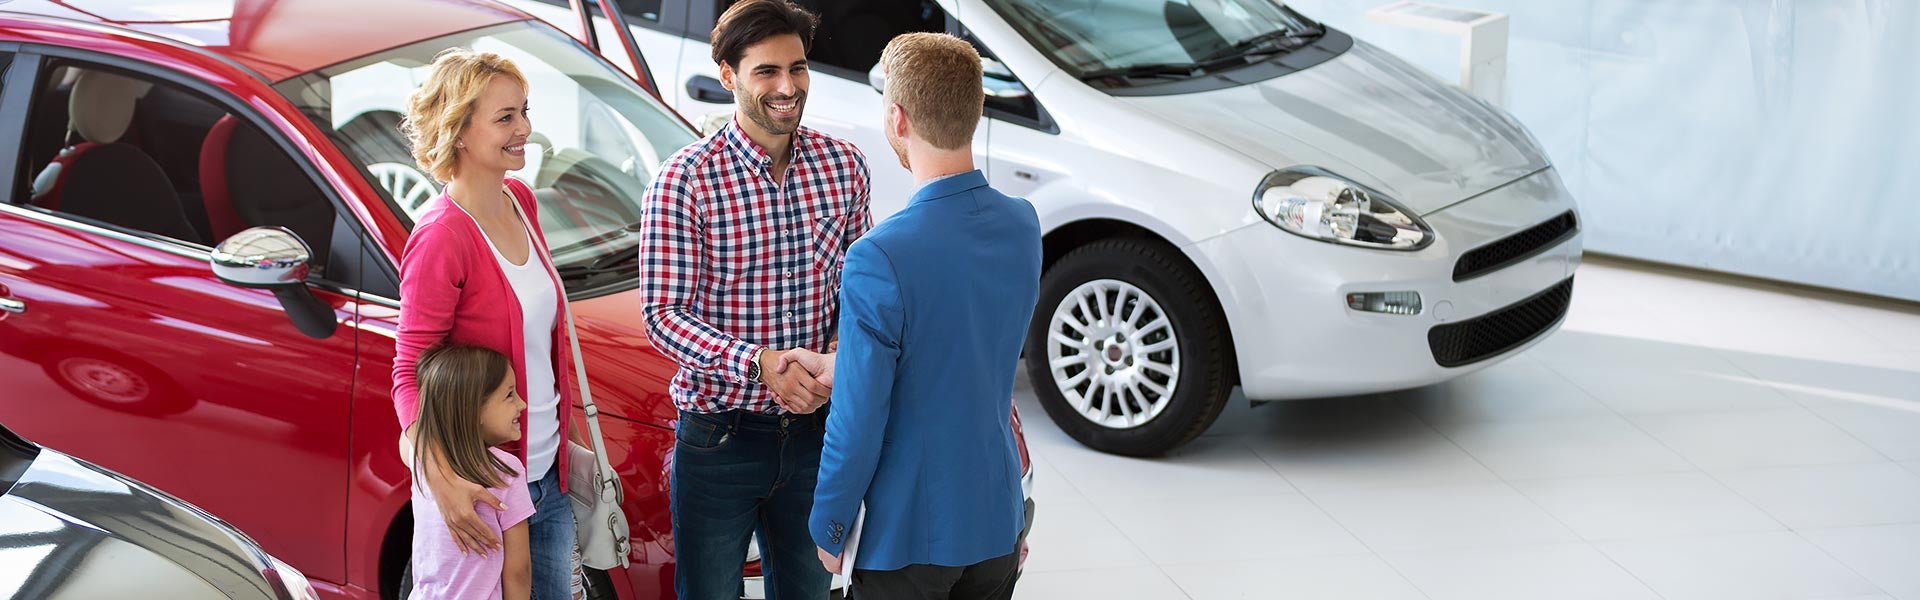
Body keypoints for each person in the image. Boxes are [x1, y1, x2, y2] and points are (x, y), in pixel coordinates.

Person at [786, 33, 1041, 600]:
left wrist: (829, 522)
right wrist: (846, 364)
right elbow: (963, 345)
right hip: (996, 518)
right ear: (975, 111)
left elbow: (858, 419)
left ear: (897, 119)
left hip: (907, 539)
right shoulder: (1023, 225)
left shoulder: (880, 255)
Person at [636, 1, 872, 597]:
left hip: (820, 432)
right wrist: (761, 364)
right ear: (727, 75)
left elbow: (863, 290)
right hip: (718, 439)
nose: (787, 87)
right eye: (766, 71)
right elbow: (662, 317)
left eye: (797, 69)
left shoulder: (844, 167)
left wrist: (837, 357)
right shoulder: (685, 180)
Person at [393, 48, 584, 600]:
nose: (526, 128)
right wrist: (442, 482)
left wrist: (571, 451)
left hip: (548, 479)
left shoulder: (520, 198)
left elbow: (544, 350)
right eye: (506, 118)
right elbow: (410, 373)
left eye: (525, 111)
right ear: (458, 131)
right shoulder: (440, 238)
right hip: (487, 493)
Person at [409, 344, 536, 600]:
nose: (522, 404)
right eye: (510, 395)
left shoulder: (421, 463)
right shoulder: (505, 471)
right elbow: (518, 571)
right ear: (474, 409)